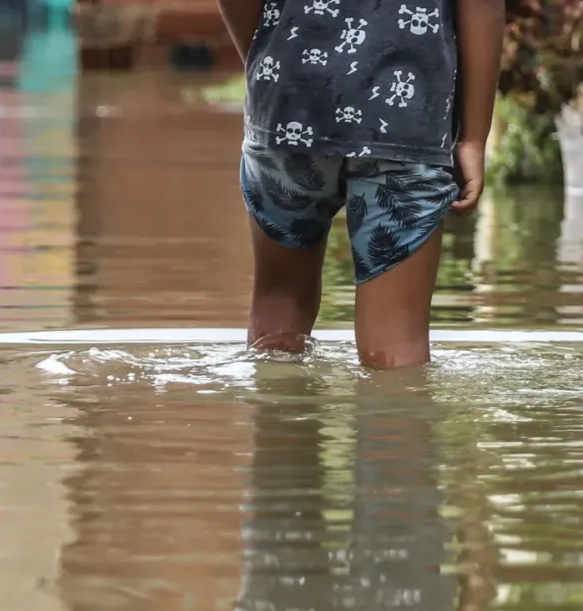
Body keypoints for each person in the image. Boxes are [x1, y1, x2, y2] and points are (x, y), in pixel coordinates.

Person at [216, 0, 505, 368]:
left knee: (280, 306)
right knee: (396, 343)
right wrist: (473, 138)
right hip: (405, 125)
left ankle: (277, 401)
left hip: (288, 106)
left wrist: (268, 66)